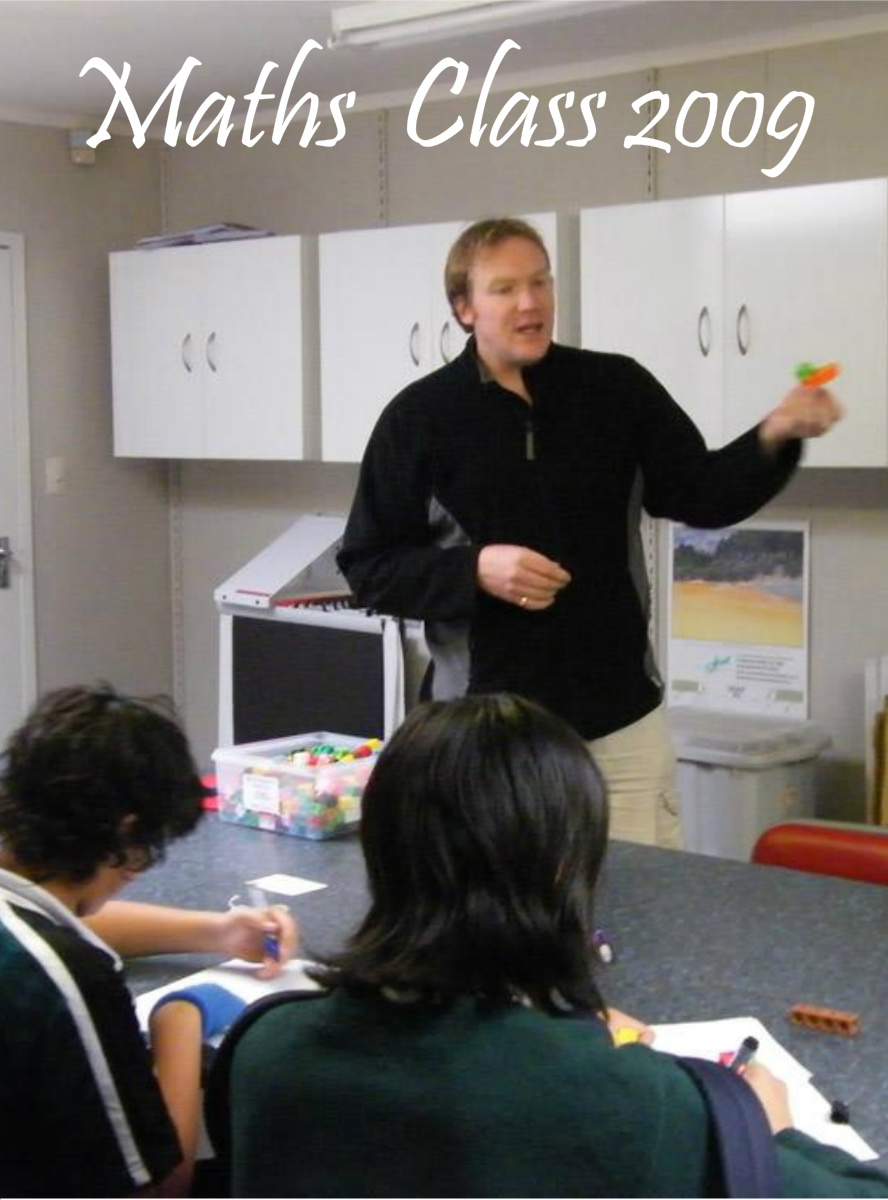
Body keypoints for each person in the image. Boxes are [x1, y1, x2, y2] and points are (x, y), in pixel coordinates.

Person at [205, 694, 888, 1197]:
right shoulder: (646, 1106)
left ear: (379, 848)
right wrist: (769, 1131)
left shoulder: (267, 1048)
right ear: (566, 868)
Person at [337, 217, 842, 848]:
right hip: (486, 731)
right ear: (464, 308)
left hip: (620, 725)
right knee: (505, 904)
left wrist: (777, 432)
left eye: (540, 282)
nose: (530, 303)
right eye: (504, 289)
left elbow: (703, 492)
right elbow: (368, 567)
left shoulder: (616, 389)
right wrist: (475, 570)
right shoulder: (418, 419)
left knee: (643, 901)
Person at [0, 683, 298, 1198]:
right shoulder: (69, 978)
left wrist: (217, 931)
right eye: (140, 858)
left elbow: (55, 924)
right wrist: (179, 1020)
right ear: (126, 833)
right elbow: (158, 1187)